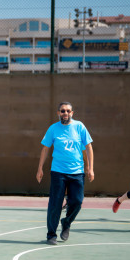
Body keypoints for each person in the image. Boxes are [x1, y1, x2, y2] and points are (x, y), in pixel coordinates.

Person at [36, 102, 94, 245]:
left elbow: (88, 147)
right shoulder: (53, 129)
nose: (65, 113)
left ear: (72, 113)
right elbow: (45, 149)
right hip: (58, 172)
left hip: (77, 172)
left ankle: (66, 222)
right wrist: (40, 168)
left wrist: (90, 167)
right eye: (62, 111)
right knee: (55, 204)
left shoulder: (79, 127)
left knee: (77, 202)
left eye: (68, 111)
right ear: (58, 113)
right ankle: (51, 235)